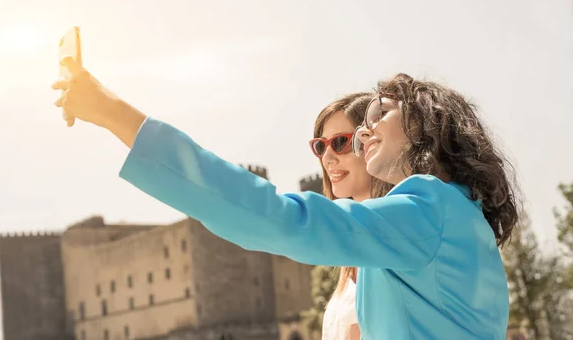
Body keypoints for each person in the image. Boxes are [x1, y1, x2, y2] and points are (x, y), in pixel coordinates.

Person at [52, 58, 521, 339]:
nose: (364, 130)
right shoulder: (457, 219)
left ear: (425, 124)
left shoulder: (429, 208)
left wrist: (116, 115)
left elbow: (280, 217)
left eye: (382, 110)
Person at [309, 92, 393, 340]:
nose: (327, 157)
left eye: (339, 143)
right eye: (320, 146)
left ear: (372, 143)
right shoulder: (349, 251)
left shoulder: (395, 235)